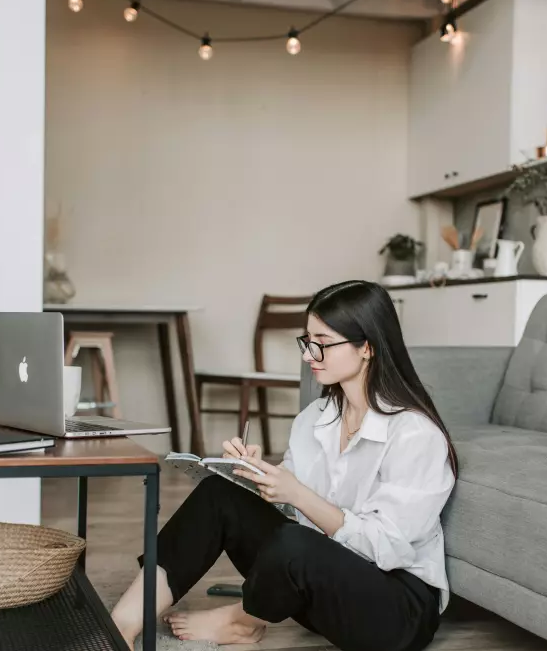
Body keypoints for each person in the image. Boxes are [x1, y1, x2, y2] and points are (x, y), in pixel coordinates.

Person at [110, 279, 458, 651]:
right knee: (220, 492)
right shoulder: (315, 418)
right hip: (321, 593)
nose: (309, 356)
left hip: (394, 612)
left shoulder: (414, 435)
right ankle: (121, 625)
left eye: (322, 344)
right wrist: (259, 478)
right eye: (307, 341)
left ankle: (240, 621)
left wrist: (300, 496)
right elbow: (291, 515)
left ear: (366, 347)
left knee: (296, 544)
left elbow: (387, 549)